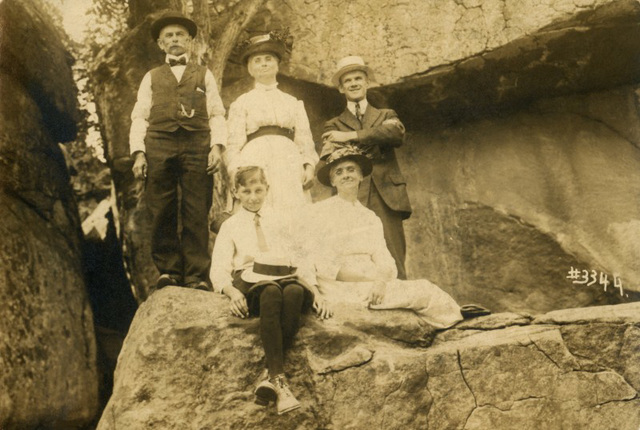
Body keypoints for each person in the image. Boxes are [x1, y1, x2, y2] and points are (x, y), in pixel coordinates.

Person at [306, 146, 488, 329]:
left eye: (351, 170)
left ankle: (455, 317)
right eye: (339, 172)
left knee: (421, 287)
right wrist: (373, 280)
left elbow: (384, 258)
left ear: (361, 176)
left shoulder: (369, 217)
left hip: (373, 282)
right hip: (341, 286)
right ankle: (458, 320)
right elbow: (324, 263)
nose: (346, 175)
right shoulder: (320, 212)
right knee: (422, 291)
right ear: (333, 181)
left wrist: (382, 281)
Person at [209, 166, 332, 415]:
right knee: (272, 293)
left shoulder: (281, 218)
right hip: (250, 277)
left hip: (281, 273)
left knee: (296, 293)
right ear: (236, 192)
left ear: (267, 189)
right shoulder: (231, 226)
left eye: (258, 190)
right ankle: (280, 380)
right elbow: (218, 268)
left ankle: (270, 376)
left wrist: (316, 291)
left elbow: (300, 257)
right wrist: (232, 292)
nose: (253, 197)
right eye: (246, 191)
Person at [129, 11, 227, 291]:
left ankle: (196, 275)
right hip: (158, 143)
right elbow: (139, 117)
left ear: (190, 42)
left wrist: (217, 147)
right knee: (161, 207)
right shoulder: (151, 77)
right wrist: (138, 153)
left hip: (197, 144)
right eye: (169, 36)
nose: (174, 40)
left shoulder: (203, 74)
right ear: (161, 44)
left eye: (179, 35)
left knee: (197, 208)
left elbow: (218, 113)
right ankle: (169, 271)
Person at [321, 56, 411, 279]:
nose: (353, 83)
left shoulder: (386, 115)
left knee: (394, 253)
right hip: (353, 193)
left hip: (386, 194)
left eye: (358, 78)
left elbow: (395, 133)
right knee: (355, 252)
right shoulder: (333, 124)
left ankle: (403, 305)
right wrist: (372, 138)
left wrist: (350, 136)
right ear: (341, 88)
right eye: (347, 80)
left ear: (367, 82)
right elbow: (329, 156)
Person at [225, 30, 318, 212]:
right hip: (255, 159)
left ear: (277, 64)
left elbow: (305, 140)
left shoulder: (293, 102)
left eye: (268, 59)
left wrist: (309, 166)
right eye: (257, 61)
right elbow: (233, 143)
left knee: (291, 208)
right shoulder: (242, 102)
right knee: (261, 207)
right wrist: (236, 171)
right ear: (251, 69)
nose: (263, 64)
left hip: (288, 161)